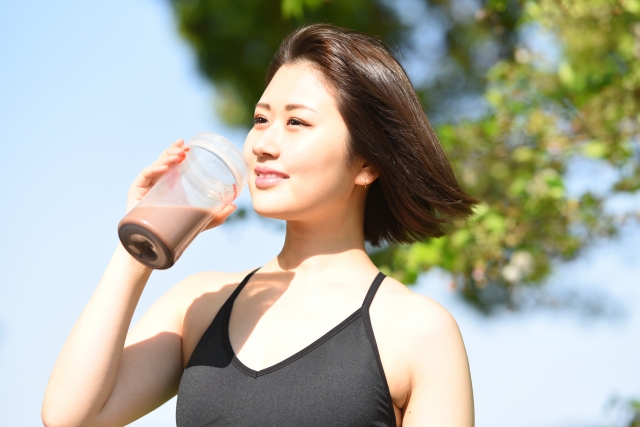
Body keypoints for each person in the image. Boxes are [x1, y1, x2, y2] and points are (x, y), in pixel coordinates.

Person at [42, 24, 478, 427]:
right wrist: (140, 240)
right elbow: (69, 417)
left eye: (296, 122)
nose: (264, 144)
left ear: (366, 163)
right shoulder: (200, 305)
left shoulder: (416, 331)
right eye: (261, 120)